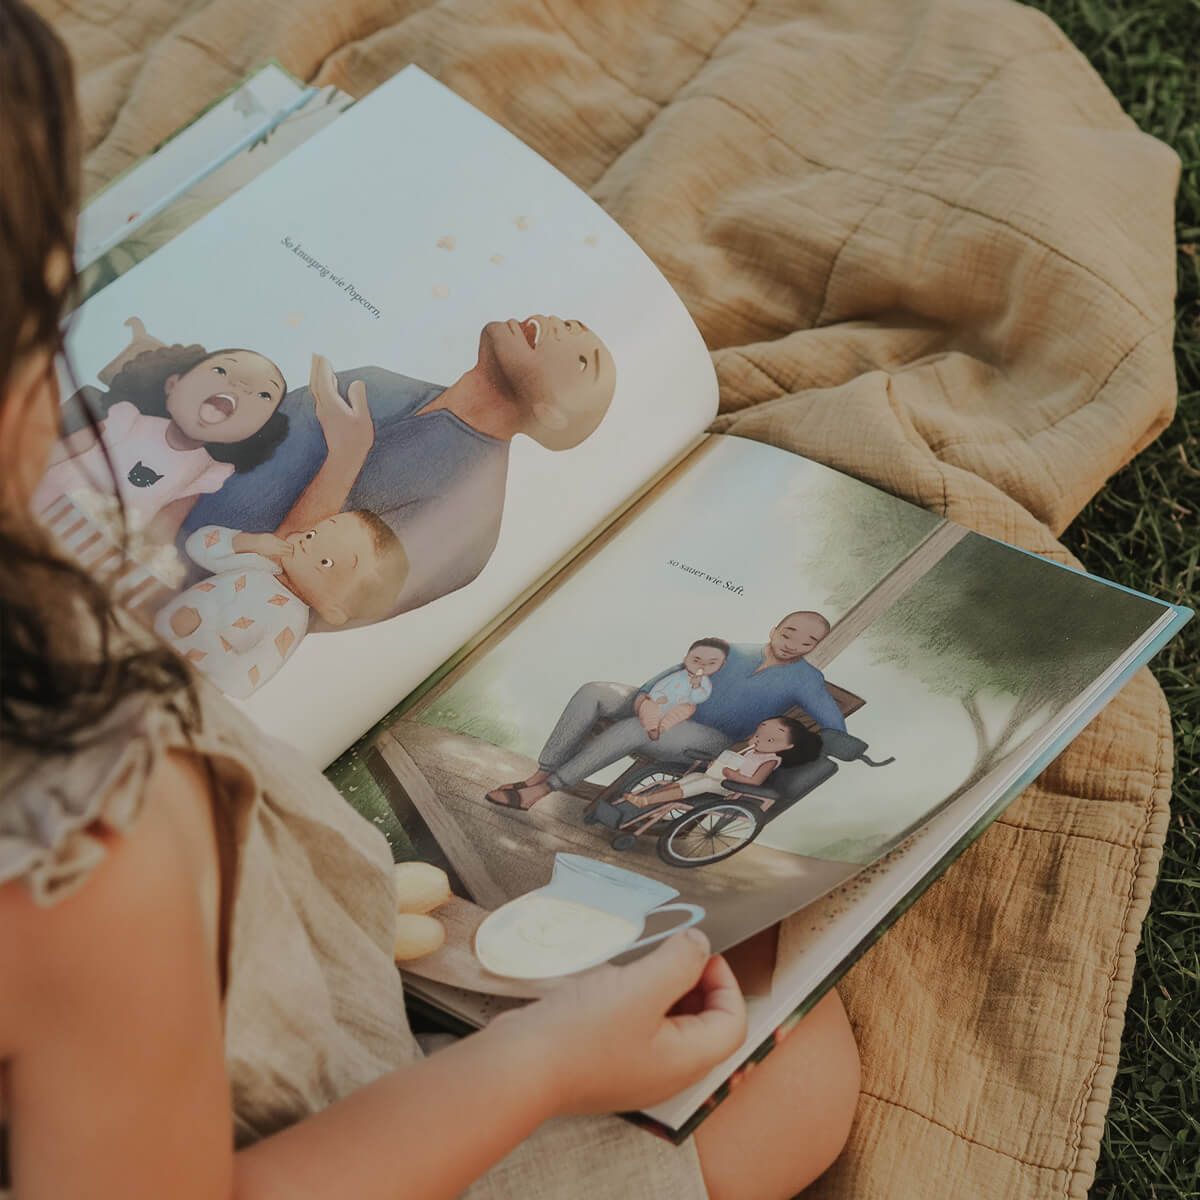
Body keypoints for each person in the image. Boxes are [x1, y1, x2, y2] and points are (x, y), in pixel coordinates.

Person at [0, 6, 860, 1197]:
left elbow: (328, 566)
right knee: (799, 1075)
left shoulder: (470, 495)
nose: (566, 328)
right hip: (183, 1039)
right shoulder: (93, 851)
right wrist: (544, 1068)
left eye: (582, 349)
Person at [114, 309, 618, 619]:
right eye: (576, 325)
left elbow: (293, 590)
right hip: (116, 530)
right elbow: (212, 451)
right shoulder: (375, 382)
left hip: (162, 616)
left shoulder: (470, 527)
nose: (570, 326)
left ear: (552, 415)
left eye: (583, 361)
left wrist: (347, 455)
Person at [488, 611, 847, 811]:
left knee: (634, 729)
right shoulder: (733, 650)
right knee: (594, 691)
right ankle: (542, 771)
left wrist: (839, 744)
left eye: (808, 641)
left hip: (711, 738)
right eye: (788, 633)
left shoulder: (807, 680)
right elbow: (676, 673)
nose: (793, 644)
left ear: (816, 646)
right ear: (774, 629)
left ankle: (544, 790)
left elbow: (832, 721)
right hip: (666, 705)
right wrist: (645, 699)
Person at [31, 343, 290, 543]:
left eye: (264, 394)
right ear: (173, 384)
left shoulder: (208, 471)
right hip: (41, 504)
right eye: (221, 370)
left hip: (90, 542)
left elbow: (164, 530)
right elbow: (57, 452)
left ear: (256, 431)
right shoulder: (127, 419)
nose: (241, 385)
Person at [153, 512, 409, 698]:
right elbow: (198, 547)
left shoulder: (289, 622)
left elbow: (244, 680)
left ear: (333, 610)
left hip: (178, 679)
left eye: (326, 562)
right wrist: (248, 542)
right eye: (313, 533)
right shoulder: (261, 564)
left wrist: (201, 635)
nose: (306, 542)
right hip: (151, 633)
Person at [621, 716, 822, 814]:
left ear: (787, 747)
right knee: (692, 778)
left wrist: (732, 775)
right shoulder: (750, 750)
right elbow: (733, 761)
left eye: (770, 740)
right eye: (758, 735)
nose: (760, 741)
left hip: (732, 788)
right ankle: (652, 799)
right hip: (720, 779)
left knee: (702, 783)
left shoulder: (769, 761)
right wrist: (718, 764)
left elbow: (754, 781)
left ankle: (646, 801)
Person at [639, 636, 729, 740]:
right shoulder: (677, 675)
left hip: (681, 705)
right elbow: (659, 687)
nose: (702, 666)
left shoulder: (705, 683)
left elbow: (698, 699)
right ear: (686, 659)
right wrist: (658, 696)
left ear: (722, 664)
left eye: (711, 663)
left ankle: (664, 726)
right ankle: (652, 727)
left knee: (687, 709)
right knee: (648, 704)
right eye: (696, 660)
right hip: (662, 702)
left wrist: (696, 687)